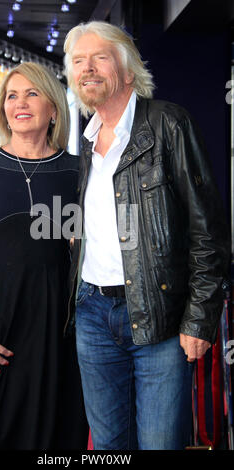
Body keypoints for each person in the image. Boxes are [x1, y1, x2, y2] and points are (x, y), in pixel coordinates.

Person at [63, 21, 230, 450]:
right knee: (108, 446)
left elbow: (208, 231)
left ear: (128, 70)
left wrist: (199, 319)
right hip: (93, 317)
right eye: (78, 61)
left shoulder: (169, 124)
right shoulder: (86, 143)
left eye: (100, 57)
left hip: (159, 318)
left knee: (160, 443)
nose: (87, 68)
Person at [0, 62, 88, 450]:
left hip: (56, 339)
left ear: (54, 108)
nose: (19, 103)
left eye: (32, 93)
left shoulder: (77, 171)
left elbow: (84, 249)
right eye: (11, 95)